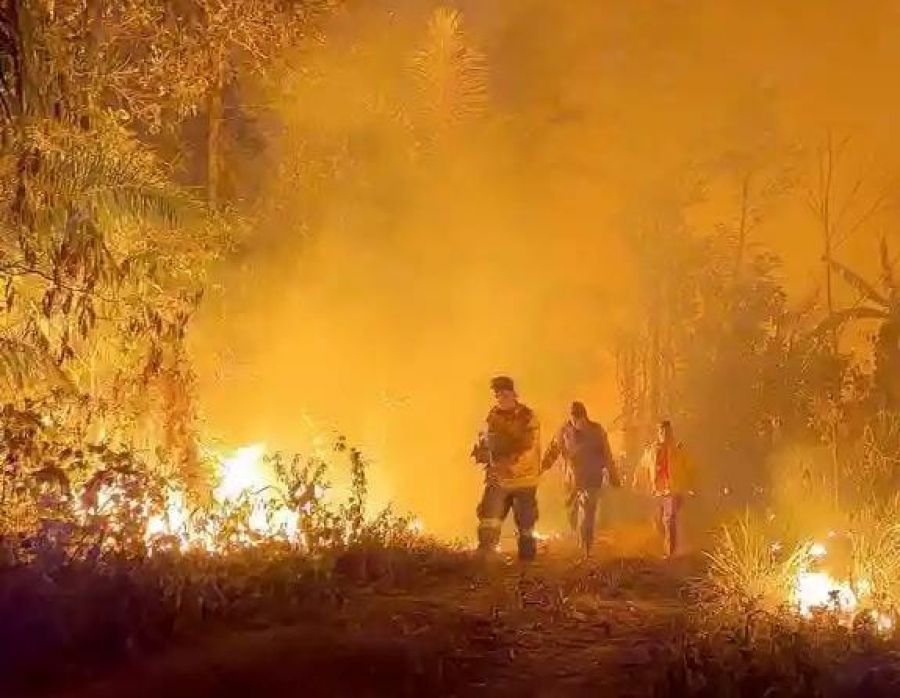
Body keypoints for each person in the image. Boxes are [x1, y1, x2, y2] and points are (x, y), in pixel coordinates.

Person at [471, 376, 541, 561]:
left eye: (504, 394)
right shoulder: (492, 416)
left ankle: (527, 562)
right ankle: (486, 555)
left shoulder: (527, 416)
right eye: (497, 395)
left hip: (523, 478)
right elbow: (486, 440)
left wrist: (509, 464)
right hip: (498, 477)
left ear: (513, 394)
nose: (500, 398)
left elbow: (530, 447)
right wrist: (482, 452)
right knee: (489, 516)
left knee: (525, 521)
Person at [542, 401, 618, 556]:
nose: (577, 422)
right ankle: (578, 537)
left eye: (579, 418)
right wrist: (543, 466)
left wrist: (613, 475)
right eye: (574, 418)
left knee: (588, 512)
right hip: (571, 480)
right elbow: (553, 449)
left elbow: (607, 453)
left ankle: (586, 547)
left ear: (585, 417)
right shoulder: (564, 431)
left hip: (592, 478)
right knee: (572, 513)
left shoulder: (596, 431)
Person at [633, 420, 694, 558]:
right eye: (662, 432)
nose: (665, 435)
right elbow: (641, 467)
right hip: (657, 491)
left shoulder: (678, 449)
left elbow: (689, 467)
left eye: (668, 432)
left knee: (669, 519)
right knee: (658, 522)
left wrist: (690, 485)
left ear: (671, 433)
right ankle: (666, 544)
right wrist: (636, 481)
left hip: (674, 489)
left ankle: (670, 552)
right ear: (658, 433)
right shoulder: (651, 450)